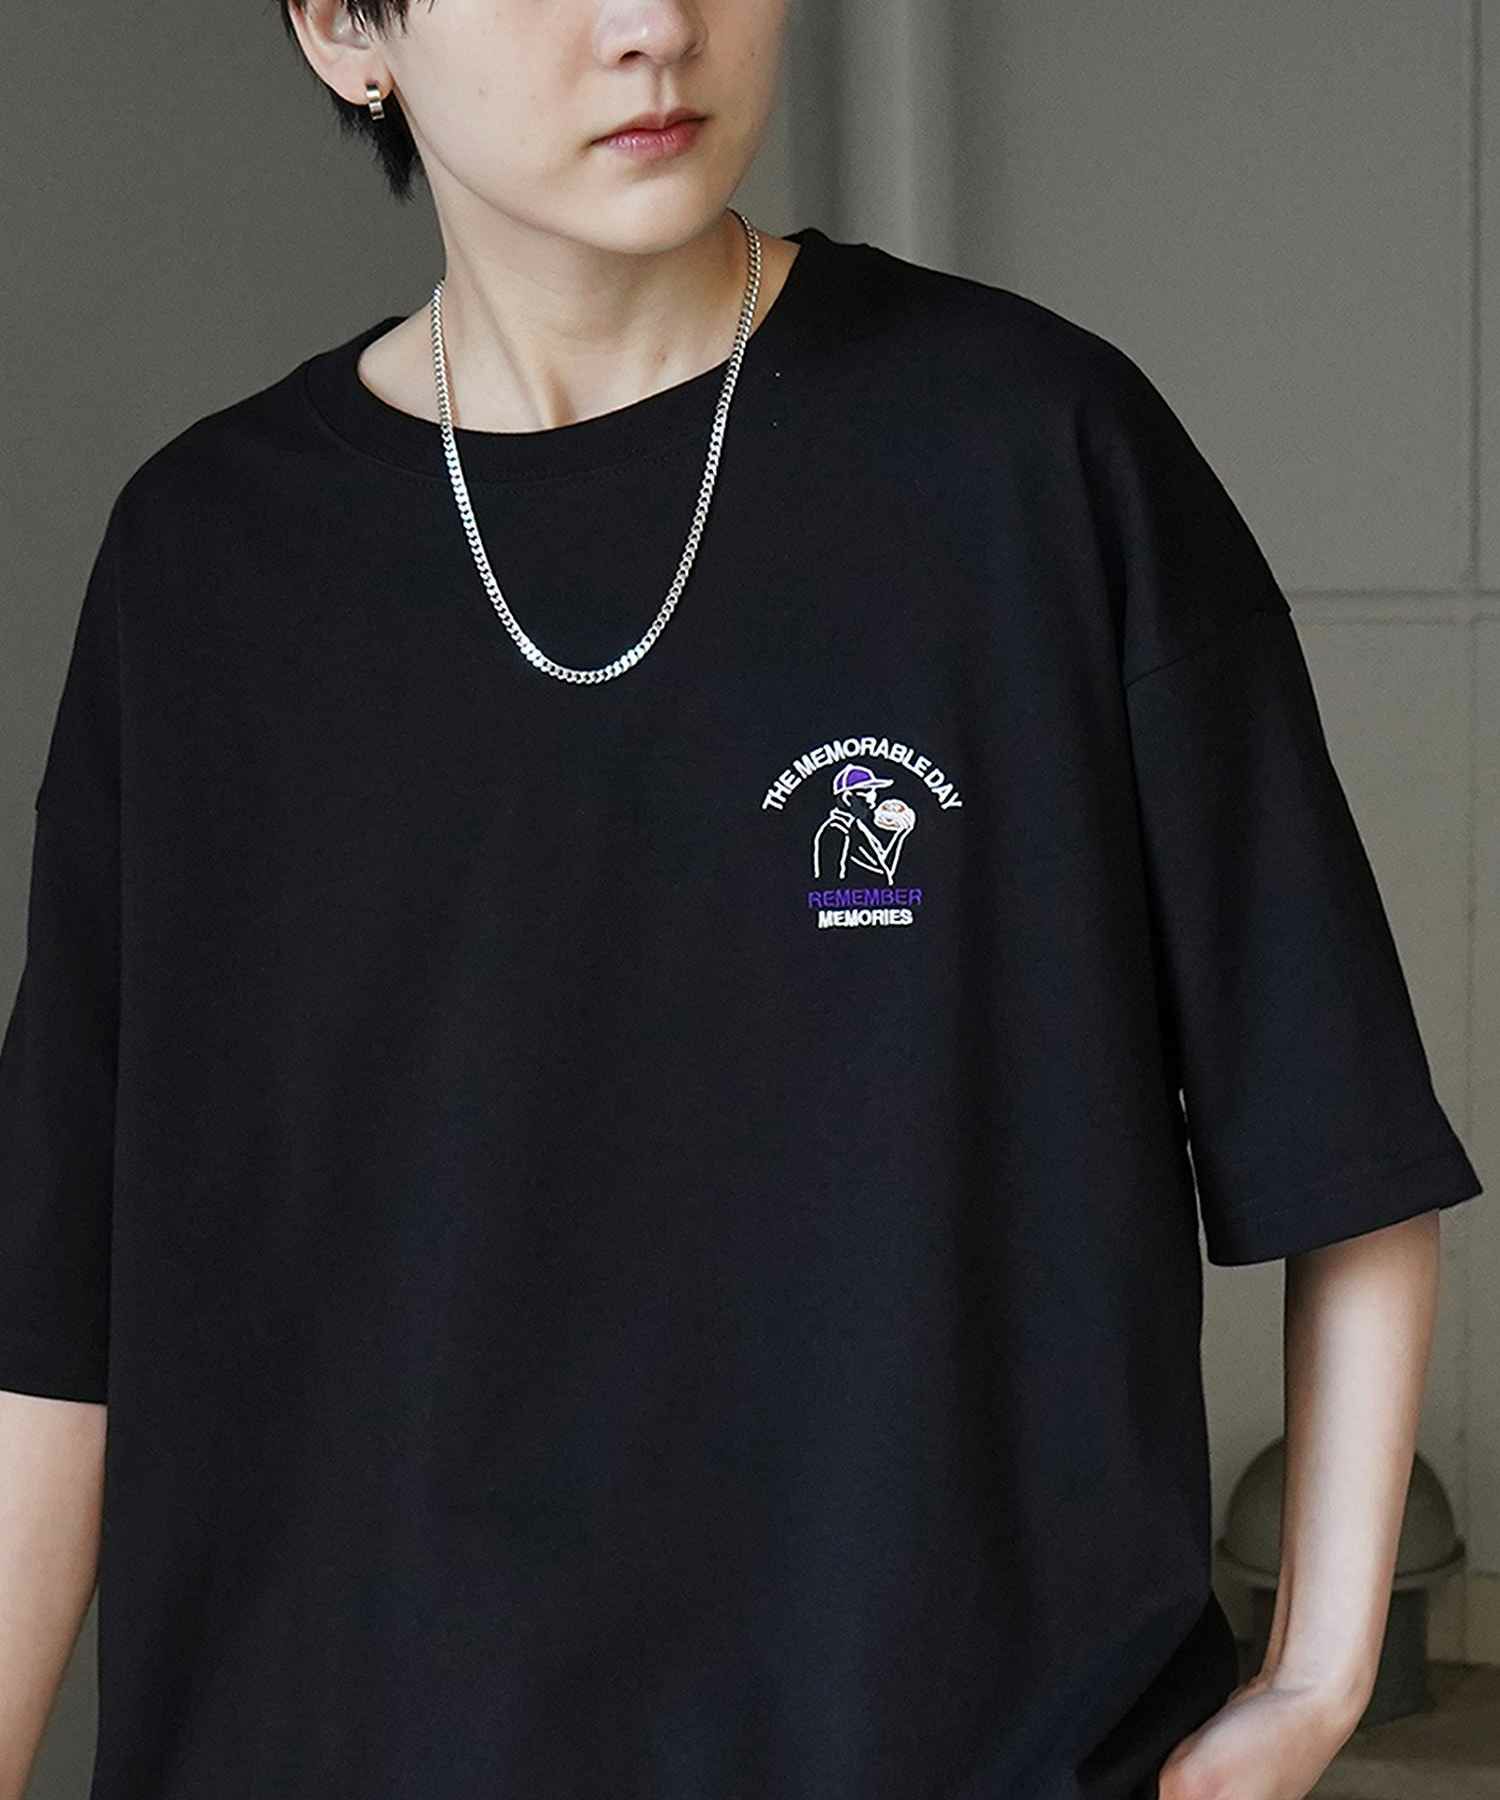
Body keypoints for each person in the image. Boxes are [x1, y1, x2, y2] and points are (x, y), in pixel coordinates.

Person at [0, 2, 1485, 1797]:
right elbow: (56, 1303)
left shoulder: (1032, 450)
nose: (654, 27)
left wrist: (1319, 1672)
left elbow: (1337, 1124)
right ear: (343, 28)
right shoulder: (208, 562)